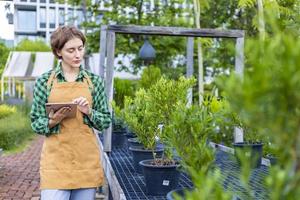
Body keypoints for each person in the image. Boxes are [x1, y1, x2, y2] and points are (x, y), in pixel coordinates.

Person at [30, 26, 111, 200]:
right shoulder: (45, 81)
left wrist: (89, 111)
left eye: (80, 48)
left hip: (85, 161)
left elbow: (105, 120)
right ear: (58, 52)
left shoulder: (94, 81)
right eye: (71, 50)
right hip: (56, 163)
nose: (77, 55)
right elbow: (36, 122)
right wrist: (52, 121)